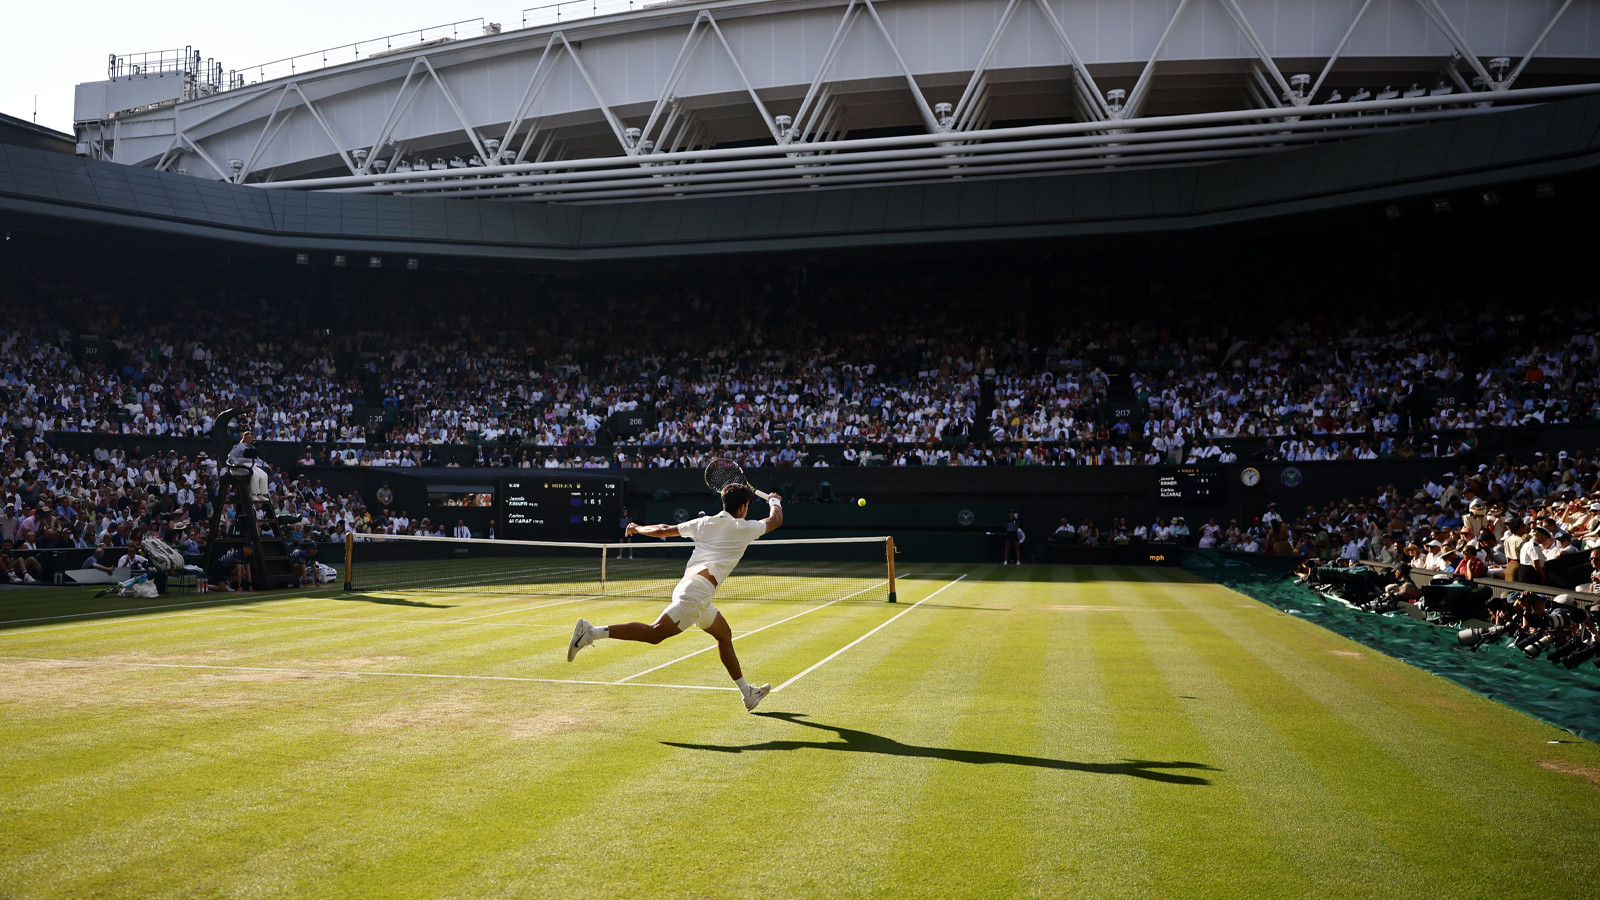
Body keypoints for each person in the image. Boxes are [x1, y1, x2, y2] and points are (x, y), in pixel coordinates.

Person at [567, 484, 782, 712]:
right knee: (654, 634)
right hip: (695, 596)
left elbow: (663, 529)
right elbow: (775, 520)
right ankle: (590, 633)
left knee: (724, 636)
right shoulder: (745, 528)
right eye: (747, 506)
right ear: (743, 507)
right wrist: (774, 501)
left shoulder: (705, 522)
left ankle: (747, 693)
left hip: (693, 591)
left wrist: (638, 529)